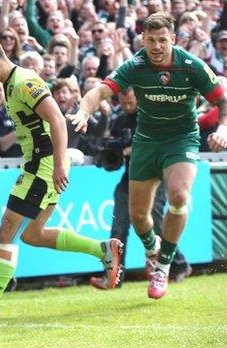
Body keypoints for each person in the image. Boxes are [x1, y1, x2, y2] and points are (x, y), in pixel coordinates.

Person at [0, 38, 123, 324]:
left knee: (7, 230)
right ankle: (102, 249)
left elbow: (56, 119)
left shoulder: (25, 82)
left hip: (42, 165)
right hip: (40, 164)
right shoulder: (9, 84)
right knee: (32, 234)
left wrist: (57, 164)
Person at [67, 12, 227, 299]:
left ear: (173, 40)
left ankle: (163, 266)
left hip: (181, 139)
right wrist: (83, 111)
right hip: (146, 141)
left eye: (162, 40)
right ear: (143, 39)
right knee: (139, 216)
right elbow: (99, 92)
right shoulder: (136, 65)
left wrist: (223, 129)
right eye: (151, 40)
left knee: (178, 196)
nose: (156, 46)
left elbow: (222, 100)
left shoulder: (191, 66)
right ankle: (152, 250)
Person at [88, 88, 192, 289]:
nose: (127, 107)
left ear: (138, 97)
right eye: (123, 103)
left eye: (130, 103)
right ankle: (112, 276)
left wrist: (133, 149)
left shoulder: (150, 115)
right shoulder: (119, 121)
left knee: (156, 223)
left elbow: (160, 143)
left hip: (156, 177)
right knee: (117, 228)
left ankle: (178, 264)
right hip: (129, 179)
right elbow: (115, 156)